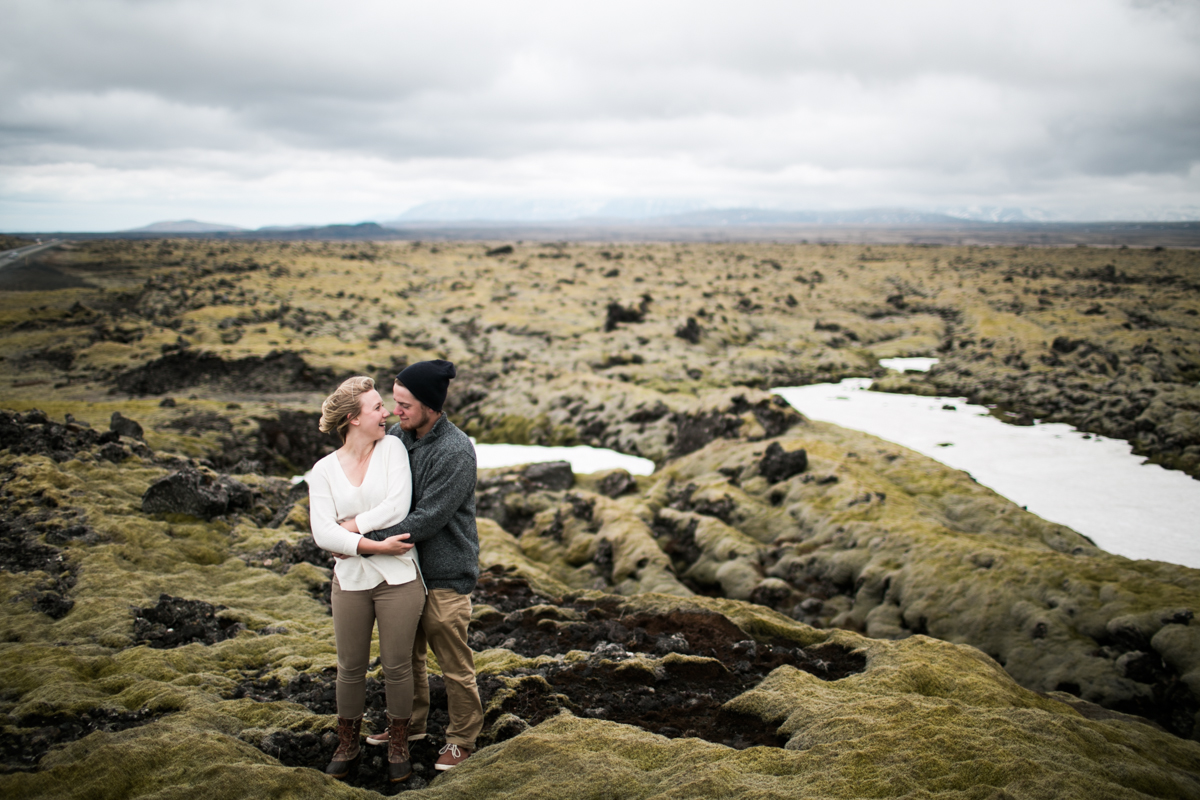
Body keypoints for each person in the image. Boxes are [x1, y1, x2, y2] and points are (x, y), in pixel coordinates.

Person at [362, 359, 483, 772]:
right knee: (404, 657)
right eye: (394, 402)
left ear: (431, 406)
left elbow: (428, 517)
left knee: (453, 664)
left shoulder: (455, 451)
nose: (397, 411)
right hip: (404, 571)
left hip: (446, 576)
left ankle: (462, 738)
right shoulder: (399, 437)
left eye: (405, 404)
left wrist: (364, 541)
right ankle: (409, 725)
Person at [308, 376, 424, 784]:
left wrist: (353, 529)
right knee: (349, 668)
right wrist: (374, 546)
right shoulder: (322, 472)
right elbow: (322, 534)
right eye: (377, 407)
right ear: (354, 418)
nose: (388, 413)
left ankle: (398, 743)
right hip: (351, 581)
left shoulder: (391, 446)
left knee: (397, 667)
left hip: (399, 581)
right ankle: (348, 742)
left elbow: (399, 505)